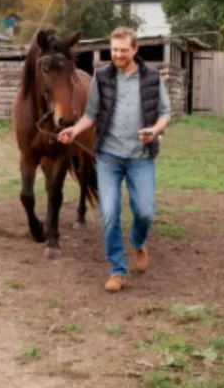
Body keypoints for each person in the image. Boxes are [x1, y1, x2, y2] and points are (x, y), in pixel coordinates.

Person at [56, 26, 170, 292]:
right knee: (109, 214)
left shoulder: (151, 78)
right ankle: (117, 270)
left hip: (140, 157)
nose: (117, 55)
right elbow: (91, 114)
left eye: (123, 50)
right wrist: (74, 130)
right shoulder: (102, 77)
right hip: (108, 157)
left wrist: (153, 130)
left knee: (144, 211)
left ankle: (139, 242)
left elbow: (165, 114)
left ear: (135, 49)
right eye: (114, 50)